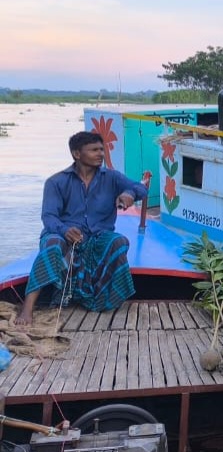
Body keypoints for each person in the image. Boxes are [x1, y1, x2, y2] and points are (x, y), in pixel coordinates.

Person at [14, 131, 148, 326]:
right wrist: (64, 230)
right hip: (63, 233)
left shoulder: (112, 177)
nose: (101, 154)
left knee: (118, 242)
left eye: (102, 149)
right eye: (94, 150)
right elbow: (49, 216)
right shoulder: (56, 182)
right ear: (77, 154)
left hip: (98, 235)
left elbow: (141, 188)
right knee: (52, 245)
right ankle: (28, 307)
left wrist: (129, 193)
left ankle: (101, 300)